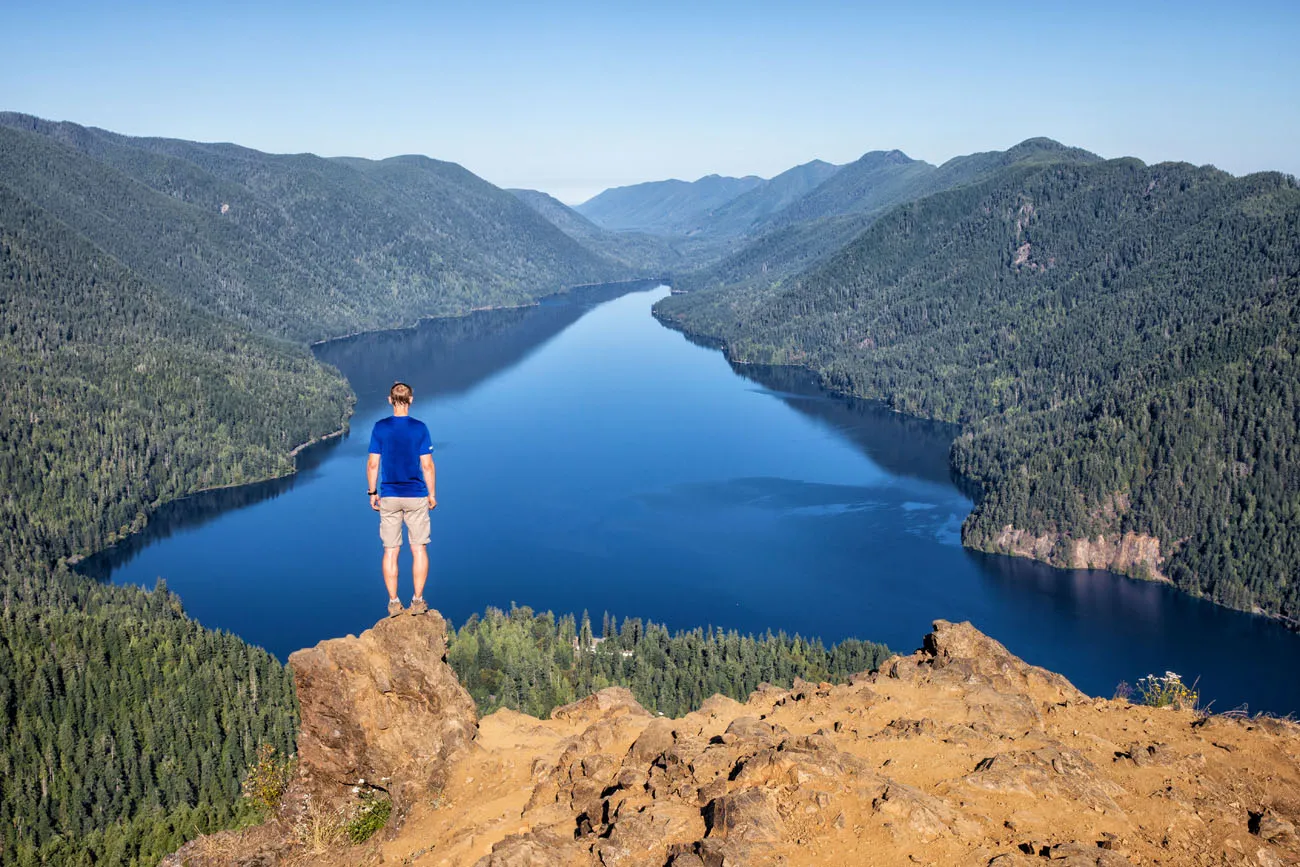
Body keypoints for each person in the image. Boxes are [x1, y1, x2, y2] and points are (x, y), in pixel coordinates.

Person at [367, 382, 437, 616]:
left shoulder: (380, 428)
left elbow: (373, 463)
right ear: (411, 400)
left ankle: (394, 603)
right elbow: (427, 465)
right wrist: (432, 493)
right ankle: (417, 601)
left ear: (390, 400)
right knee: (418, 549)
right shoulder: (419, 428)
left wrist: (372, 492)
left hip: (389, 496)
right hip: (416, 495)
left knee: (390, 551)